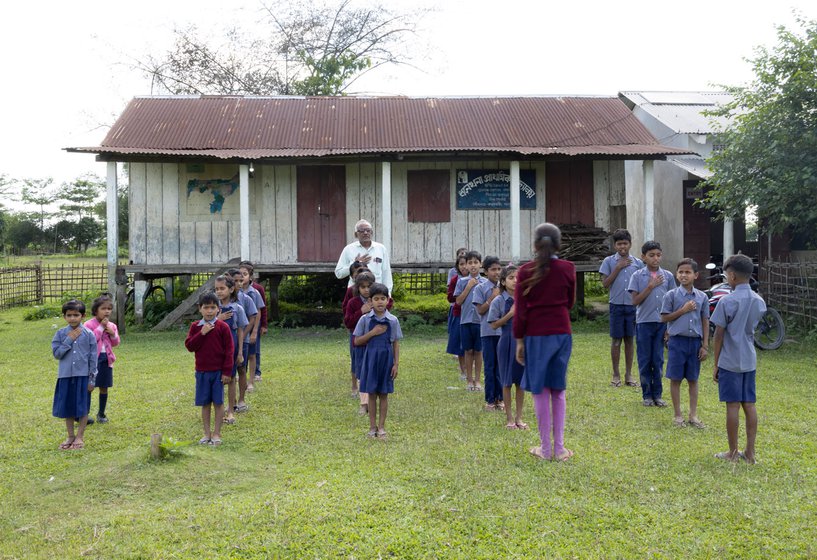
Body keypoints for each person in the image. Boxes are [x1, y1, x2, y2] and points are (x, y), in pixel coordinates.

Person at [514, 223, 576, 462]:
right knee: (558, 389)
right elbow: (569, 303)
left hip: (535, 334)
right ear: (559, 244)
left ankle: (545, 449)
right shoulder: (568, 268)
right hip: (561, 331)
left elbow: (520, 311)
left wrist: (519, 340)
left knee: (540, 389)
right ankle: (559, 449)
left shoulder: (525, 271)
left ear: (535, 244)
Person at [711, 254, 766, 464]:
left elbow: (719, 335)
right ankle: (750, 452)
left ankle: (733, 452)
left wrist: (716, 364)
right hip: (749, 359)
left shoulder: (727, 301)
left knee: (732, 406)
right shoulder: (759, 301)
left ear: (732, 276)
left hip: (729, 360)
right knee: (749, 405)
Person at [660, 258, 709, 428]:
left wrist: (705, 345)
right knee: (676, 379)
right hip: (677, 342)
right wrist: (683, 310)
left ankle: (693, 415)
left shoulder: (702, 297)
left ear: (696, 275)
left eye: (688, 272)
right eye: (680, 272)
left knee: (693, 379)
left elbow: (705, 321)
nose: (683, 275)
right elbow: (664, 317)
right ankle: (678, 415)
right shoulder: (671, 295)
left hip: (695, 343)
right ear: (676, 274)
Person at [628, 241, 676, 407]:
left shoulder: (668, 276)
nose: (655, 258)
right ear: (643, 257)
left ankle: (658, 394)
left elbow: (672, 302)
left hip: (661, 324)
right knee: (644, 359)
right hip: (644, 323)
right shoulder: (637, 276)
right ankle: (647, 395)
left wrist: (669, 327)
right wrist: (650, 286)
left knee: (658, 359)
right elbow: (634, 301)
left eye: (658, 255)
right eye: (651, 255)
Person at [353, 282, 403, 438]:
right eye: (376, 298)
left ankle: (382, 427)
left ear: (388, 300)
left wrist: (395, 364)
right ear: (370, 301)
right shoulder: (365, 320)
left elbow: (395, 343)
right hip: (370, 359)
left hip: (386, 360)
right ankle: (372, 427)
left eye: (383, 298)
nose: (380, 302)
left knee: (383, 394)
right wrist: (373, 333)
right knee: (372, 394)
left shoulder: (393, 320)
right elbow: (357, 341)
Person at [185, 292, 234, 446]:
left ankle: (217, 433)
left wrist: (227, 372)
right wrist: (202, 333)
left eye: (213, 307)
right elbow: (190, 346)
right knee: (205, 403)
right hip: (202, 372)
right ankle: (206, 433)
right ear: (200, 309)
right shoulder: (195, 327)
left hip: (218, 372)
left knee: (218, 403)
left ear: (218, 309)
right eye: (206, 308)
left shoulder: (223, 327)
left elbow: (229, 350)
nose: (209, 311)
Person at [599, 229, 644, 387]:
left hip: (632, 307)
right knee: (616, 341)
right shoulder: (609, 261)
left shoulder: (638, 263)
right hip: (616, 306)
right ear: (615, 245)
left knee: (630, 341)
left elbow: (641, 285)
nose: (622, 247)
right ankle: (616, 374)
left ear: (630, 244)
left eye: (625, 243)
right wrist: (618, 267)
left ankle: (629, 375)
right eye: (619, 244)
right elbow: (605, 284)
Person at [52, 300, 97, 450]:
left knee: (82, 407)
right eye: (69, 315)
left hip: (83, 377)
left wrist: (92, 379)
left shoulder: (89, 334)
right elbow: (57, 354)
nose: (72, 318)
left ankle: (80, 437)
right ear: (64, 316)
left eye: (76, 315)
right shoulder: (60, 334)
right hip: (65, 376)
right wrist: (69, 339)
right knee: (68, 407)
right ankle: (70, 436)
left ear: (83, 316)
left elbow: (93, 358)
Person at [489, 264, 527, 430]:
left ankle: (519, 418)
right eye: (511, 278)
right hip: (505, 342)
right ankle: (509, 418)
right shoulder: (499, 301)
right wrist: (510, 314)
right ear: (503, 281)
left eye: (518, 277)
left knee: (521, 382)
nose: (515, 281)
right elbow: (494, 325)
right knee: (506, 381)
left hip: (523, 343)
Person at [214, 274, 248, 425]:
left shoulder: (237, 308)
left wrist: (240, 351)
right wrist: (218, 319)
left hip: (232, 347)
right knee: (217, 379)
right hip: (215, 347)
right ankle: (219, 410)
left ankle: (231, 411)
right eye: (216, 289)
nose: (219, 292)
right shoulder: (212, 309)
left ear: (231, 289)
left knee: (231, 377)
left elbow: (240, 330)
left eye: (222, 288)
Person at [473, 255, 503, 410]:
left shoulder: (505, 286)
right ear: (485, 271)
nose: (496, 272)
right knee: (490, 366)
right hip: (488, 332)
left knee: (501, 366)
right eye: (493, 269)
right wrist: (492, 297)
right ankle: (490, 399)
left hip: (503, 333)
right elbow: (480, 310)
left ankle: (501, 398)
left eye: (499, 269)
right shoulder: (480, 288)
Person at [83, 295, 120, 424]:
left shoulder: (112, 326)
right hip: (92, 360)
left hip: (106, 360)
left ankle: (101, 413)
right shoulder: (88, 324)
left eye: (109, 308)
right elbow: (90, 340)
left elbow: (115, 343)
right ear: (96, 310)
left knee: (104, 387)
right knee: (89, 387)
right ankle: (84, 415)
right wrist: (100, 328)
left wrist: (112, 334)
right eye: (103, 308)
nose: (107, 311)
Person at [454, 251, 487, 391]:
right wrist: (468, 287)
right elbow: (458, 301)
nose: (473, 265)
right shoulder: (461, 281)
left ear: (480, 264)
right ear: (466, 265)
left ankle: (478, 380)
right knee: (468, 350)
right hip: (465, 321)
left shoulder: (486, 282)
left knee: (478, 351)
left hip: (480, 321)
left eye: (476, 262)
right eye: (470, 263)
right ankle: (469, 380)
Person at [345, 271, 376, 416]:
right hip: (359, 342)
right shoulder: (353, 303)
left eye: (369, 286)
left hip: (375, 343)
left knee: (374, 371)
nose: (366, 289)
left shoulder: (378, 300)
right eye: (363, 287)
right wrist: (361, 311)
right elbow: (348, 322)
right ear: (358, 288)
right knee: (361, 373)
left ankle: (373, 401)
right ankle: (363, 404)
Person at [335, 219, 393, 293]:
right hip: (355, 293)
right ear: (356, 234)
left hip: (376, 293)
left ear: (372, 232)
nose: (365, 233)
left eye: (368, 230)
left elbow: (386, 274)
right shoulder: (349, 249)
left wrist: (388, 294)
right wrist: (355, 263)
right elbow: (339, 274)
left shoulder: (381, 248)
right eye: (362, 231)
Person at [229, 268, 257, 413]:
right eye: (236, 281)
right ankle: (231, 400)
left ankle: (241, 400)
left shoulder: (246, 298)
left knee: (241, 368)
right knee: (229, 371)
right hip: (227, 341)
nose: (240, 283)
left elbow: (252, 317)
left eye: (241, 280)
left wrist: (245, 334)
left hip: (243, 340)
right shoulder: (223, 299)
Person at [239, 261, 266, 392]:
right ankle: (241, 378)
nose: (242, 277)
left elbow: (258, 312)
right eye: (239, 274)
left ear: (250, 277)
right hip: (239, 329)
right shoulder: (234, 293)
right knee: (240, 354)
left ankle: (251, 381)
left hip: (251, 329)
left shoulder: (254, 292)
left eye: (244, 274)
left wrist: (255, 331)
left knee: (252, 354)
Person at [446, 254, 468, 379]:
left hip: (473, 315)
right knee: (460, 345)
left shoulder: (478, 280)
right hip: (458, 314)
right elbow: (450, 298)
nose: (464, 267)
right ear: (457, 266)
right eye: (461, 264)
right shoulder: (455, 280)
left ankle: (471, 371)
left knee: (472, 346)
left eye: (467, 263)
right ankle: (463, 371)